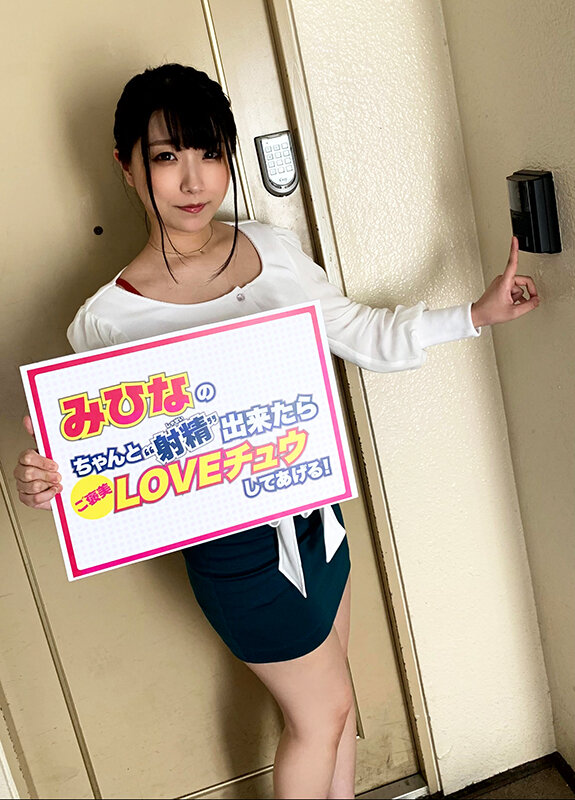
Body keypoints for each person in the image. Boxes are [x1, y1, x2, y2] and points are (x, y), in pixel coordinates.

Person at [13, 64, 540, 799]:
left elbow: (358, 330)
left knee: (337, 705)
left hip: (317, 514)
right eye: (166, 156)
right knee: (319, 717)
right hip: (235, 554)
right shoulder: (106, 321)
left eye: (210, 153)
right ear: (126, 167)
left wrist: (474, 315)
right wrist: (47, 479)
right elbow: (97, 466)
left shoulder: (273, 249)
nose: (192, 180)